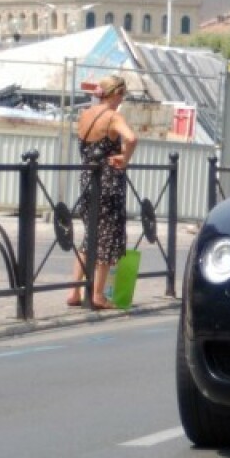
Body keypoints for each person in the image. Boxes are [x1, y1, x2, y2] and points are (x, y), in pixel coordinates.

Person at [66, 74, 138, 309]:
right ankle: (98, 294)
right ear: (115, 94)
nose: (122, 100)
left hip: (88, 178)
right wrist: (124, 158)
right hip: (109, 180)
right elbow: (132, 138)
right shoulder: (112, 117)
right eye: (122, 95)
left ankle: (74, 291)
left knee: (90, 236)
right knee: (106, 236)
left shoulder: (85, 115)